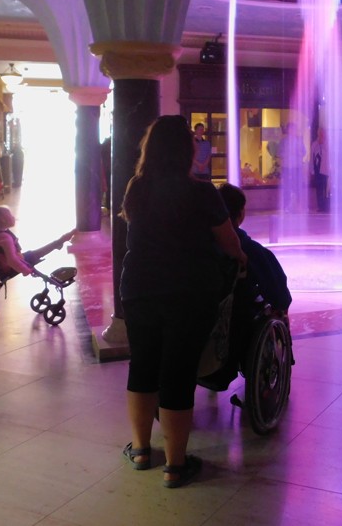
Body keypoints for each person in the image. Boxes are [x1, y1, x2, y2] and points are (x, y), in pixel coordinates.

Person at [119, 115, 247, 488]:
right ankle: (175, 466)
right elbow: (229, 242)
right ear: (186, 150)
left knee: (142, 367)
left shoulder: (136, 188)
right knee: (178, 373)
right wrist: (241, 258)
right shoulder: (203, 193)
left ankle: (141, 450)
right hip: (189, 292)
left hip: (139, 288)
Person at [217, 183, 293, 313]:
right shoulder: (253, 251)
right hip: (243, 318)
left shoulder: (201, 248)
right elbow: (281, 297)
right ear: (241, 213)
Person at [0, 205, 76, 279]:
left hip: (6, 265)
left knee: (38, 251)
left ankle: (60, 242)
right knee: (40, 252)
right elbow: (12, 260)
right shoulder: (5, 238)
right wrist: (26, 270)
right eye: (11, 216)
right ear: (3, 220)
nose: (13, 217)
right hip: (12, 267)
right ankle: (61, 240)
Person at [310, 127, 330, 213]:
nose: (321, 134)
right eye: (320, 133)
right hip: (317, 168)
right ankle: (320, 206)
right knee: (319, 188)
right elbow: (312, 157)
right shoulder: (314, 144)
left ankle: (326, 206)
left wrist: (323, 144)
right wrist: (311, 170)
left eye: (323, 133)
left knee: (325, 188)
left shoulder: (328, 144)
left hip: (325, 169)